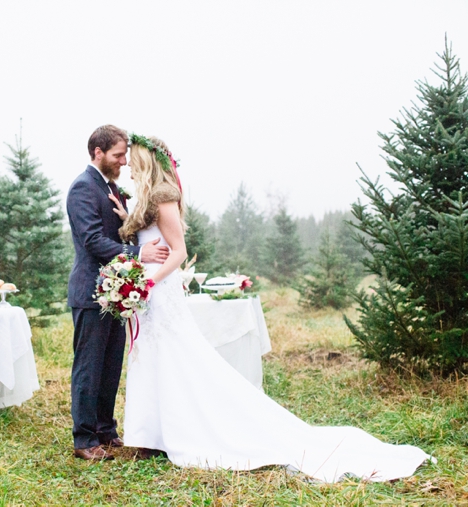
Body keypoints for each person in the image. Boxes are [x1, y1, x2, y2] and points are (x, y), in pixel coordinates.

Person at [112, 133, 431, 482]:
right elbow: (146, 239)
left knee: (178, 359)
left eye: (132, 157)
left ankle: (180, 432)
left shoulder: (163, 197)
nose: (127, 162)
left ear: (145, 159)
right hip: (149, 299)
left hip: (160, 291)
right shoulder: (144, 200)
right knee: (153, 357)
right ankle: (153, 435)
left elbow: (179, 252)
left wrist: (149, 282)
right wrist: (127, 219)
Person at [65, 125, 170, 461]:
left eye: (125, 154)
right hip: (90, 291)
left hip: (117, 293)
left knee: (110, 366)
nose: (124, 161)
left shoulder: (112, 190)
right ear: (98, 152)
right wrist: (140, 255)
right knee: (89, 366)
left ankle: (106, 431)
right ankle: (84, 439)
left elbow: (121, 235)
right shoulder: (82, 189)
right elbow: (93, 241)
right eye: (118, 155)